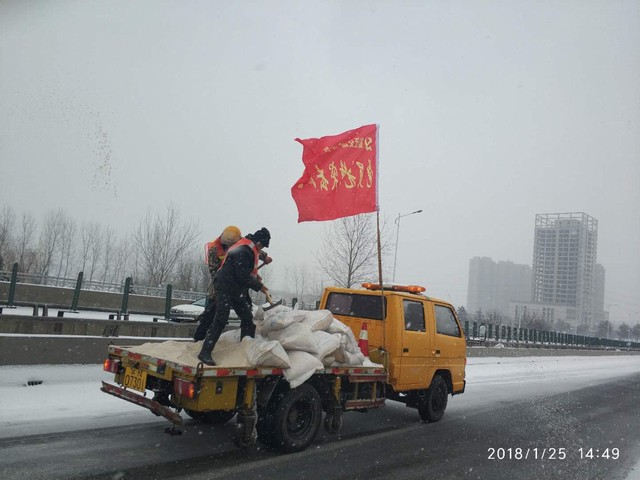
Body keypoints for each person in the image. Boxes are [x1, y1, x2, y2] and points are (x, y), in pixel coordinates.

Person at [198, 227, 271, 365]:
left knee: (247, 317)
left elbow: (243, 270)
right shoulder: (244, 250)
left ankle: (245, 348)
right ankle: (205, 352)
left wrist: (256, 278)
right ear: (258, 241)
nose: (261, 247)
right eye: (262, 245)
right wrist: (258, 286)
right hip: (226, 286)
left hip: (236, 287)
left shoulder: (250, 248)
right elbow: (241, 274)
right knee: (221, 318)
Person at [193, 226, 243, 341]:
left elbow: (251, 248)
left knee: (244, 313)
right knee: (210, 315)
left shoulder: (239, 244)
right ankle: (199, 339)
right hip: (218, 287)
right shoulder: (214, 249)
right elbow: (214, 272)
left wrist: (263, 256)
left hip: (235, 287)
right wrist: (222, 287)